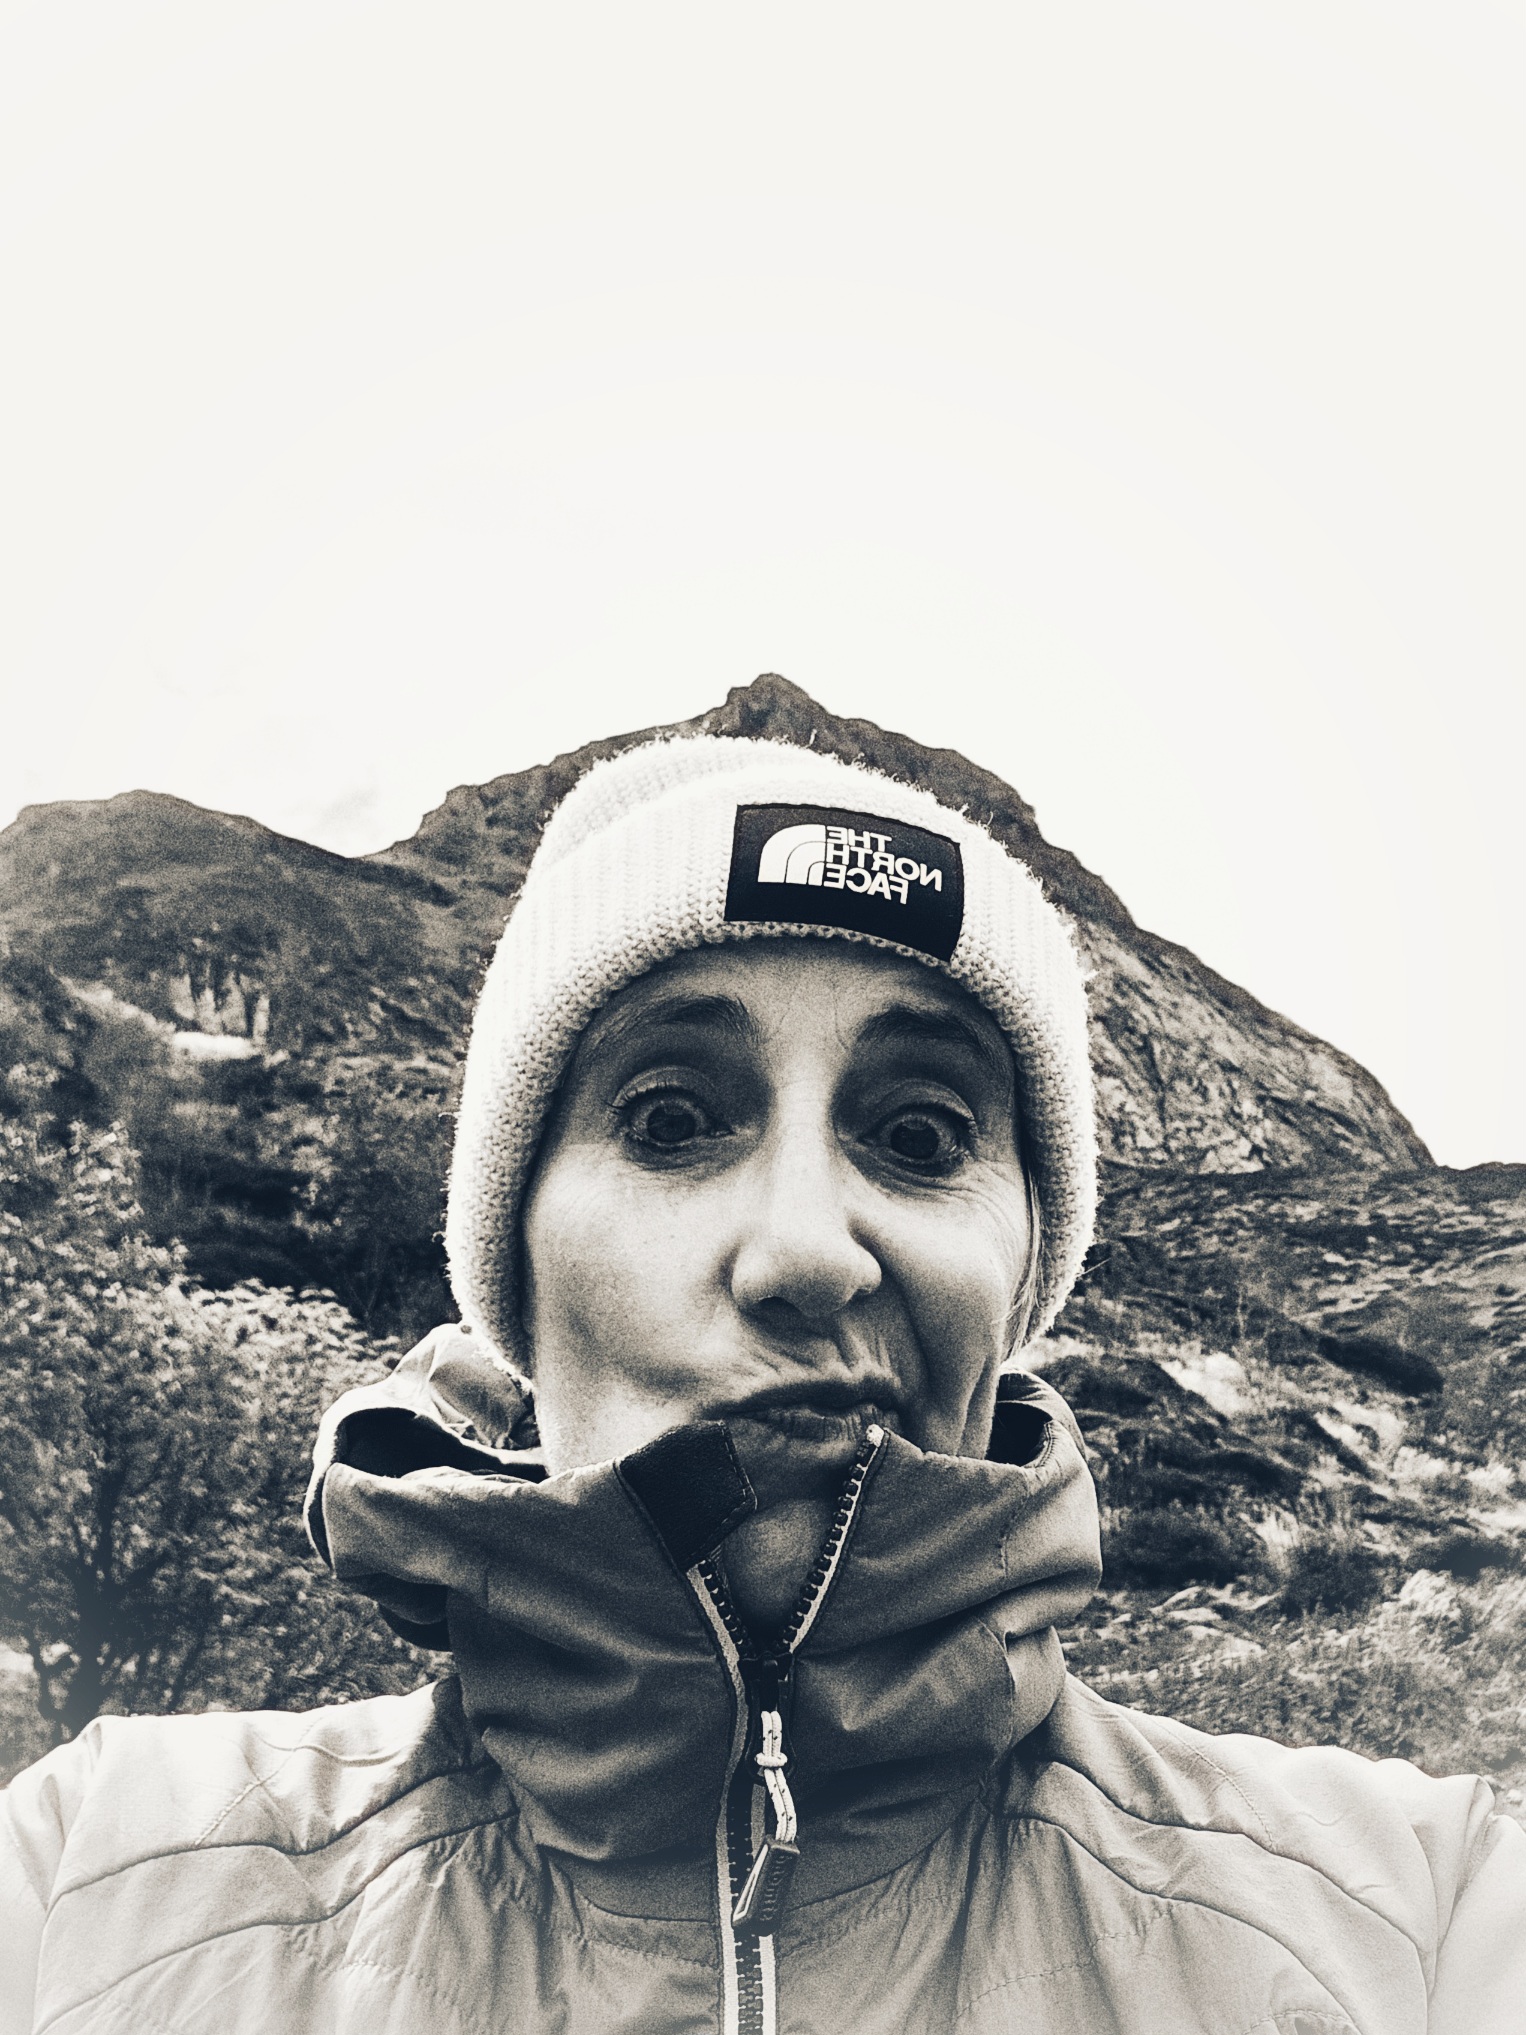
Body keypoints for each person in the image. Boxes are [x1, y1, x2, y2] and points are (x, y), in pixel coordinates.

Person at [1, 734, 1521, 2034]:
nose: (805, 1250)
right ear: (514, 1268)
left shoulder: (1417, 1917)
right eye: (669, 1119)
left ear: (1018, 1277)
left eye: (920, 1137)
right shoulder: (90, 1880)